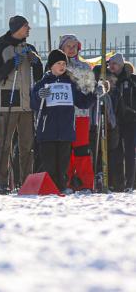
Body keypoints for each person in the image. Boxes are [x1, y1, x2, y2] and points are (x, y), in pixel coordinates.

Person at [0, 15, 44, 193]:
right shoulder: (0, 49)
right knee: (4, 144)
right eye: (26, 26)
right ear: (17, 28)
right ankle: (3, 183)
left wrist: (37, 63)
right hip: (8, 102)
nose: (29, 29)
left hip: (27, 104)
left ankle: (26, 181)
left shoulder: (30, 49)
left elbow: (39, 76)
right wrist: (12, 63)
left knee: (27, 146)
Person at [31, 50, 98, 193]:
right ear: (51, 65)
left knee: (63, 165)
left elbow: (83, 103)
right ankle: (50, 189)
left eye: (64, 63)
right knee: (49, 164)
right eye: (58, 63)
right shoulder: (43, 83)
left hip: (66, 132)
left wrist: (95, 94)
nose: (62, 66)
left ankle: (61, 188)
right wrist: (39, 95)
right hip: (47, 132)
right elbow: (33, 104)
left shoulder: (70, 84)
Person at [58, 34, 97, 192]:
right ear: (62, 47)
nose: (71, 49)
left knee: (81, 149)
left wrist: (95, 90)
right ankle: (65, 182)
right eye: (68, 46)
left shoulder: (84, 67)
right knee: (65, 150)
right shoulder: (56, 65)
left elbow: (89, 89)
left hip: (81, 114)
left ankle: (85, 183)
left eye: (74, 46)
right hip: (62, 114)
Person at [107, 53, 136, 191]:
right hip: (114, 122)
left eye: (115, 64)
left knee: (129, 152)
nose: (112, 66)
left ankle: (130, 183)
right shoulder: (108, 80)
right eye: (110, 64)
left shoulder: (131, 80)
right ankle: (117, 183)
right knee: (115, 152)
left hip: (130, 120)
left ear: (121, 65)